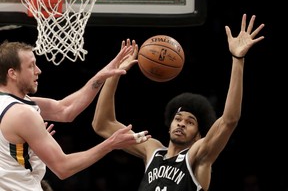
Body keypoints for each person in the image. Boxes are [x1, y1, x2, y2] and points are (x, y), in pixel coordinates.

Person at [92, 14, 265, 191]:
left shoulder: (197, 157)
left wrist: (238, 60)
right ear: (169, 124)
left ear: (199, 135)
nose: (181, 124)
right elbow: (103, 125)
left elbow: (229, 120)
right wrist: (115, 74)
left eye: (190, 122)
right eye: (178, 118)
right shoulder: (152, 150)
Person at [0, 40, 150, 191]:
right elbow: (63, 167)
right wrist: (111, 143)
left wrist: (102, 75)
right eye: (31, 65)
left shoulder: (13, 105)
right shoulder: (21, 113)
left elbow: (64, 110)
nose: (38, 70)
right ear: (12, 73)